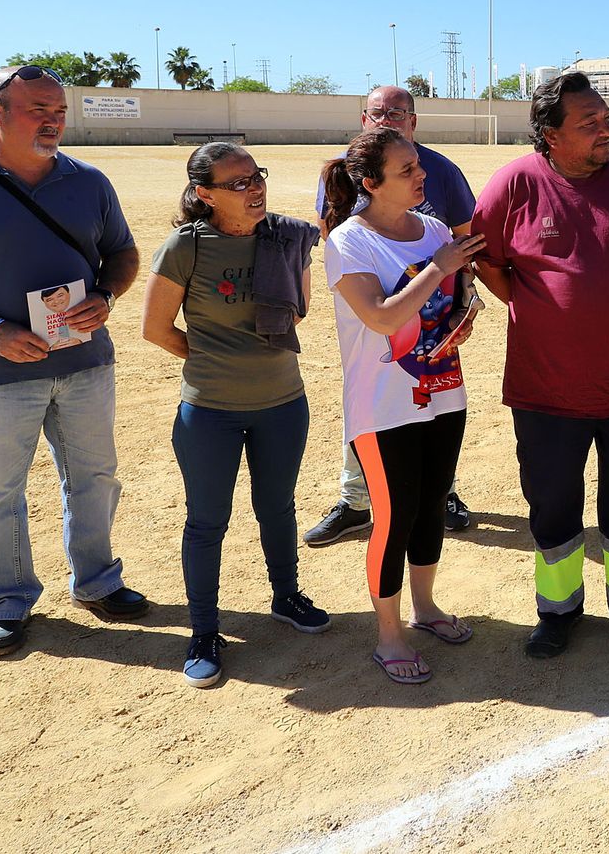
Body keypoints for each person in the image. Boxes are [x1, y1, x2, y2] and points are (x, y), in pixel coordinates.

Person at [0, 64, 145, 658]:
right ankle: (7, 602)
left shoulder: (89, 182)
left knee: (94, 477)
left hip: (85, 363)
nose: (54, 121)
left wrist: (106, 297)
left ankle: (97, 581)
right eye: (38, 110)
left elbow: (121, 252)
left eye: (60, 111)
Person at [472, 72, 609, 659]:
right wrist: (545, 310)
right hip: (546, 390)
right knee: (552, 506)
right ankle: (558, 611)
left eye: (605, 118)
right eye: (589, 123)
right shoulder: (515, 183)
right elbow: (489, 265)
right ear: (550, 134)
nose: (605, 130)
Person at [142, 143, 330, 687]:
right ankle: (203, 631)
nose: (254, 189)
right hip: (210, 410)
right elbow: (156, 329)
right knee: (206, 521)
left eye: (256, 177)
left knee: (277, 506)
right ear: (205, 194)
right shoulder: (185, 247)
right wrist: (214, 359)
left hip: (283, 404)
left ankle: (286, 596)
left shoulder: (287, 237)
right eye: (238, 183)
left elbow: (302, 308)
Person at [322, 127, 485, 684]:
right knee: (394, 516)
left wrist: (461, 318)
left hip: (444, 388)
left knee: (433, 502)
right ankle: (388, 635)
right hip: (382, 404)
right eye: (407, 171)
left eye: (418, 165)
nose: (421, 176)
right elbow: (384, 317)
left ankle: (425, 606)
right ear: (370, 183)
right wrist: (439, 266)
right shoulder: (349, 241)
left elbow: (454, 300)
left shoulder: (434, 228)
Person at [304, 85, 477, 546]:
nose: (387, 119)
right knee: (373, 408)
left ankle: (446, 494)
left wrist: (462, 302)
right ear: (364, 117)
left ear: (414, 121)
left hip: (433, 341)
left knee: (434, 420)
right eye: (378, 112)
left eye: (398, 112)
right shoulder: (345, 173)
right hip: (377, 334)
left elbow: (462, 242)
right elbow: (333, 234)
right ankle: (355, 500)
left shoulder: (442, 172)